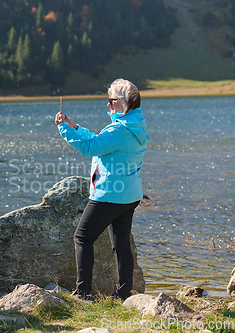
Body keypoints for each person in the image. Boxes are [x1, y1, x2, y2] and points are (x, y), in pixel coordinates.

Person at [55, 78, 149, 301]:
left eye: (112, 100)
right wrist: (75, 128)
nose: (108, 104)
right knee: (121, 246)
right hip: (129, 195)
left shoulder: (119, 130)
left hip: (109, 194)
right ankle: (124, 294)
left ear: (123, 102)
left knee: (82, 238)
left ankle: (82, 293)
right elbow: (99, 141)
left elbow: (91, 147)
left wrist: (63, 129)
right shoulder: (135, 125)